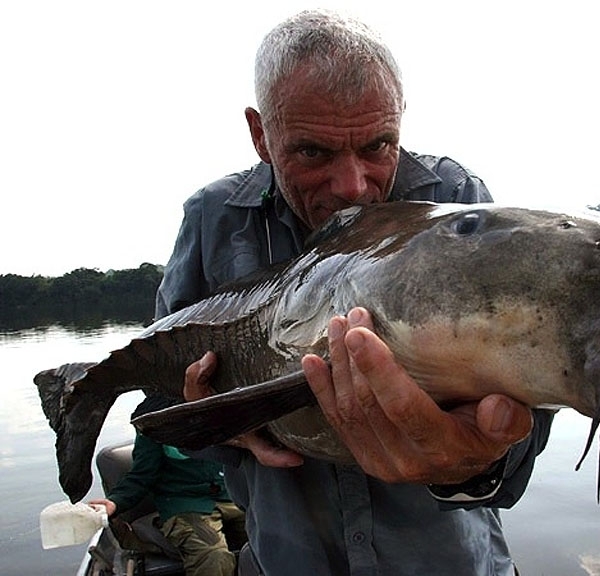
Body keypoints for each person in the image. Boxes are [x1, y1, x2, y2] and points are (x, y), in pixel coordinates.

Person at [156, 9, 555, 576]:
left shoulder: (457, 202)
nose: (353, 186)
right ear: (260, 134)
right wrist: (228, 432)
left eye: (378, 145)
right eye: (313, 152)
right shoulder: (213, 220)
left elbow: (525, 425)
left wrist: (476, 459)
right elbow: (168, 398)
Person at [90, 395, 247, 576]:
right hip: (186, 505)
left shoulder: (226, 403)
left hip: (233, 498)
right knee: (213, 556)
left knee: (277, 538)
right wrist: (115, 502)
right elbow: (142, 475)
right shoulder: (152, 418)